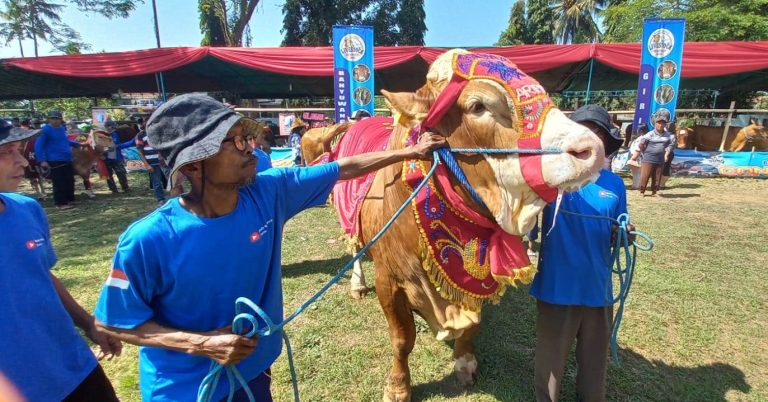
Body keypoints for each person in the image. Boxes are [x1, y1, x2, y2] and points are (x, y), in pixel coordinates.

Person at [92, 94, 444, 402]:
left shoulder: (268, 192)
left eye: (247, 138)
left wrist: (409, 151)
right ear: (194, 163)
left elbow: (344, 168)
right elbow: (114, 323)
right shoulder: (148, 239)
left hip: (255, 371)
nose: (252, 149)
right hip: (187, 389)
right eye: (235, 142)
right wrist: (199, 344)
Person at [0, 119, 122, 402]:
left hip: (74, 368)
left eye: (19, 150)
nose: (22, 161)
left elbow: (40, 274)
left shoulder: (27, 209)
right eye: (7, 152)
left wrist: (88, 323)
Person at [529, 104, 633, 402]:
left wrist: (624, 234)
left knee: (594, 367)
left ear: (604, 144)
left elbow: (619, 229)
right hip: (557, 288)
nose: (590, 137)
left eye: (598, 132)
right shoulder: (551, 178)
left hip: (598, 290)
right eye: (584, 129)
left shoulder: (614, 185)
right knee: (550, 368)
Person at [34, 110, 81, 209]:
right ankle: (60, 203)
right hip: (54, 159)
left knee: (69, 180)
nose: (56, 121)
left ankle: (70, 199)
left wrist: (76, 144)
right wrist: (42, 160)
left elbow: (64, 141)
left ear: (61, 120)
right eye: (53, 118)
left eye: (58, 118)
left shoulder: (61, 129)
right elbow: (38, 145)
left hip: (67, 158)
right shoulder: (45, 130)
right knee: (59, 182)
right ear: (49, 119)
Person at [629, 110, 674, 196]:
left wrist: (666, 154)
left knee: (657, 177)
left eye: (663, 123)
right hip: (648, 158)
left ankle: (654, 192)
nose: (660, 125)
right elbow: (641, 144)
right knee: (645, 176)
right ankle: (642, 192)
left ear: (665, 125)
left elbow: (671, 145)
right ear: (655, 124)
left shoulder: (669, 136)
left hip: (660, 159)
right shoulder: (649, 134)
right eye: (659, 123)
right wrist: (644, 152)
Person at [135, 120, 167, 205]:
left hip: (164, 161)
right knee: (157, 182)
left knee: (171, 179)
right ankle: (161, 199)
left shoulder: (158, 131)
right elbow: (139, 151)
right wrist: (146, 164)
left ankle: (175, 198)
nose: (148, 122)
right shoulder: (140, 135)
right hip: (152, 163)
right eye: (145, 120)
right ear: (143, 123)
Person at [102, 120, 135, 193]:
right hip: (107, 158)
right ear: (108, 127)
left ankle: (125, 187)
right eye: (112, 126)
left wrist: (131, 142)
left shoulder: (115, 134)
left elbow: (118, 145)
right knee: (109, 175)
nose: (113, 128)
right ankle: (113, 189)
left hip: (116, 157)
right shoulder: (101, 136)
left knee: (121, 173)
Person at [626, 124, 648, 190]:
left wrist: (633, 158)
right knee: (638, 172)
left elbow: (638, 149)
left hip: (638, 157)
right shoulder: (646, 137)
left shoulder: (641, 138)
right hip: (641, 157)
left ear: (640, 130)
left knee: (636, 173)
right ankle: (637, 185)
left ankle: (636, 185)